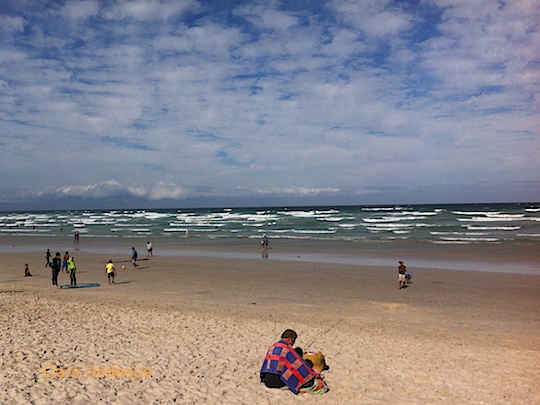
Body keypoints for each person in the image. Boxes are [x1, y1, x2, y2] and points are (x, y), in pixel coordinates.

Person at [260, 329, 329, 395]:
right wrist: (312, 374)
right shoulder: (287, 350)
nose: (293, 343)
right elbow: (298, 366)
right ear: (289, 339)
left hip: (267, 380)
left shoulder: (273, 347)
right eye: (293, 340)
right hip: (277, 382)